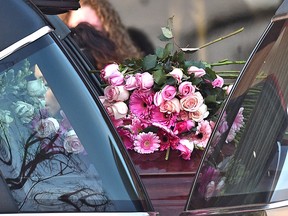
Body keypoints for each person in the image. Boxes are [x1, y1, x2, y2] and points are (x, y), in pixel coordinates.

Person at [59, 0, 143, 63]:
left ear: (110, 32)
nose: (87, 35)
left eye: (94, 29)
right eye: (79, 29)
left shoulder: (126, 76)